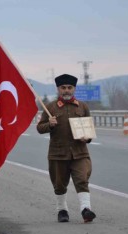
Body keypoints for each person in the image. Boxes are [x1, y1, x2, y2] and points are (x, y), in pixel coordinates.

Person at [36, 73, 96, 223]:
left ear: (74, 89)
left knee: (82, 179)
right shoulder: (50, 107)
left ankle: (86, 209)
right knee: (59, 184)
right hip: (58, 154)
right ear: (58, 89)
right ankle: (62, 210)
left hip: (79, 153)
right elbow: (39, 128)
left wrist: (87, 137)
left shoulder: (82, 107)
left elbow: (89, 130)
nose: (67, 90)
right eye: (63, 88)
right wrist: (49, 124)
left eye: (69, 87)